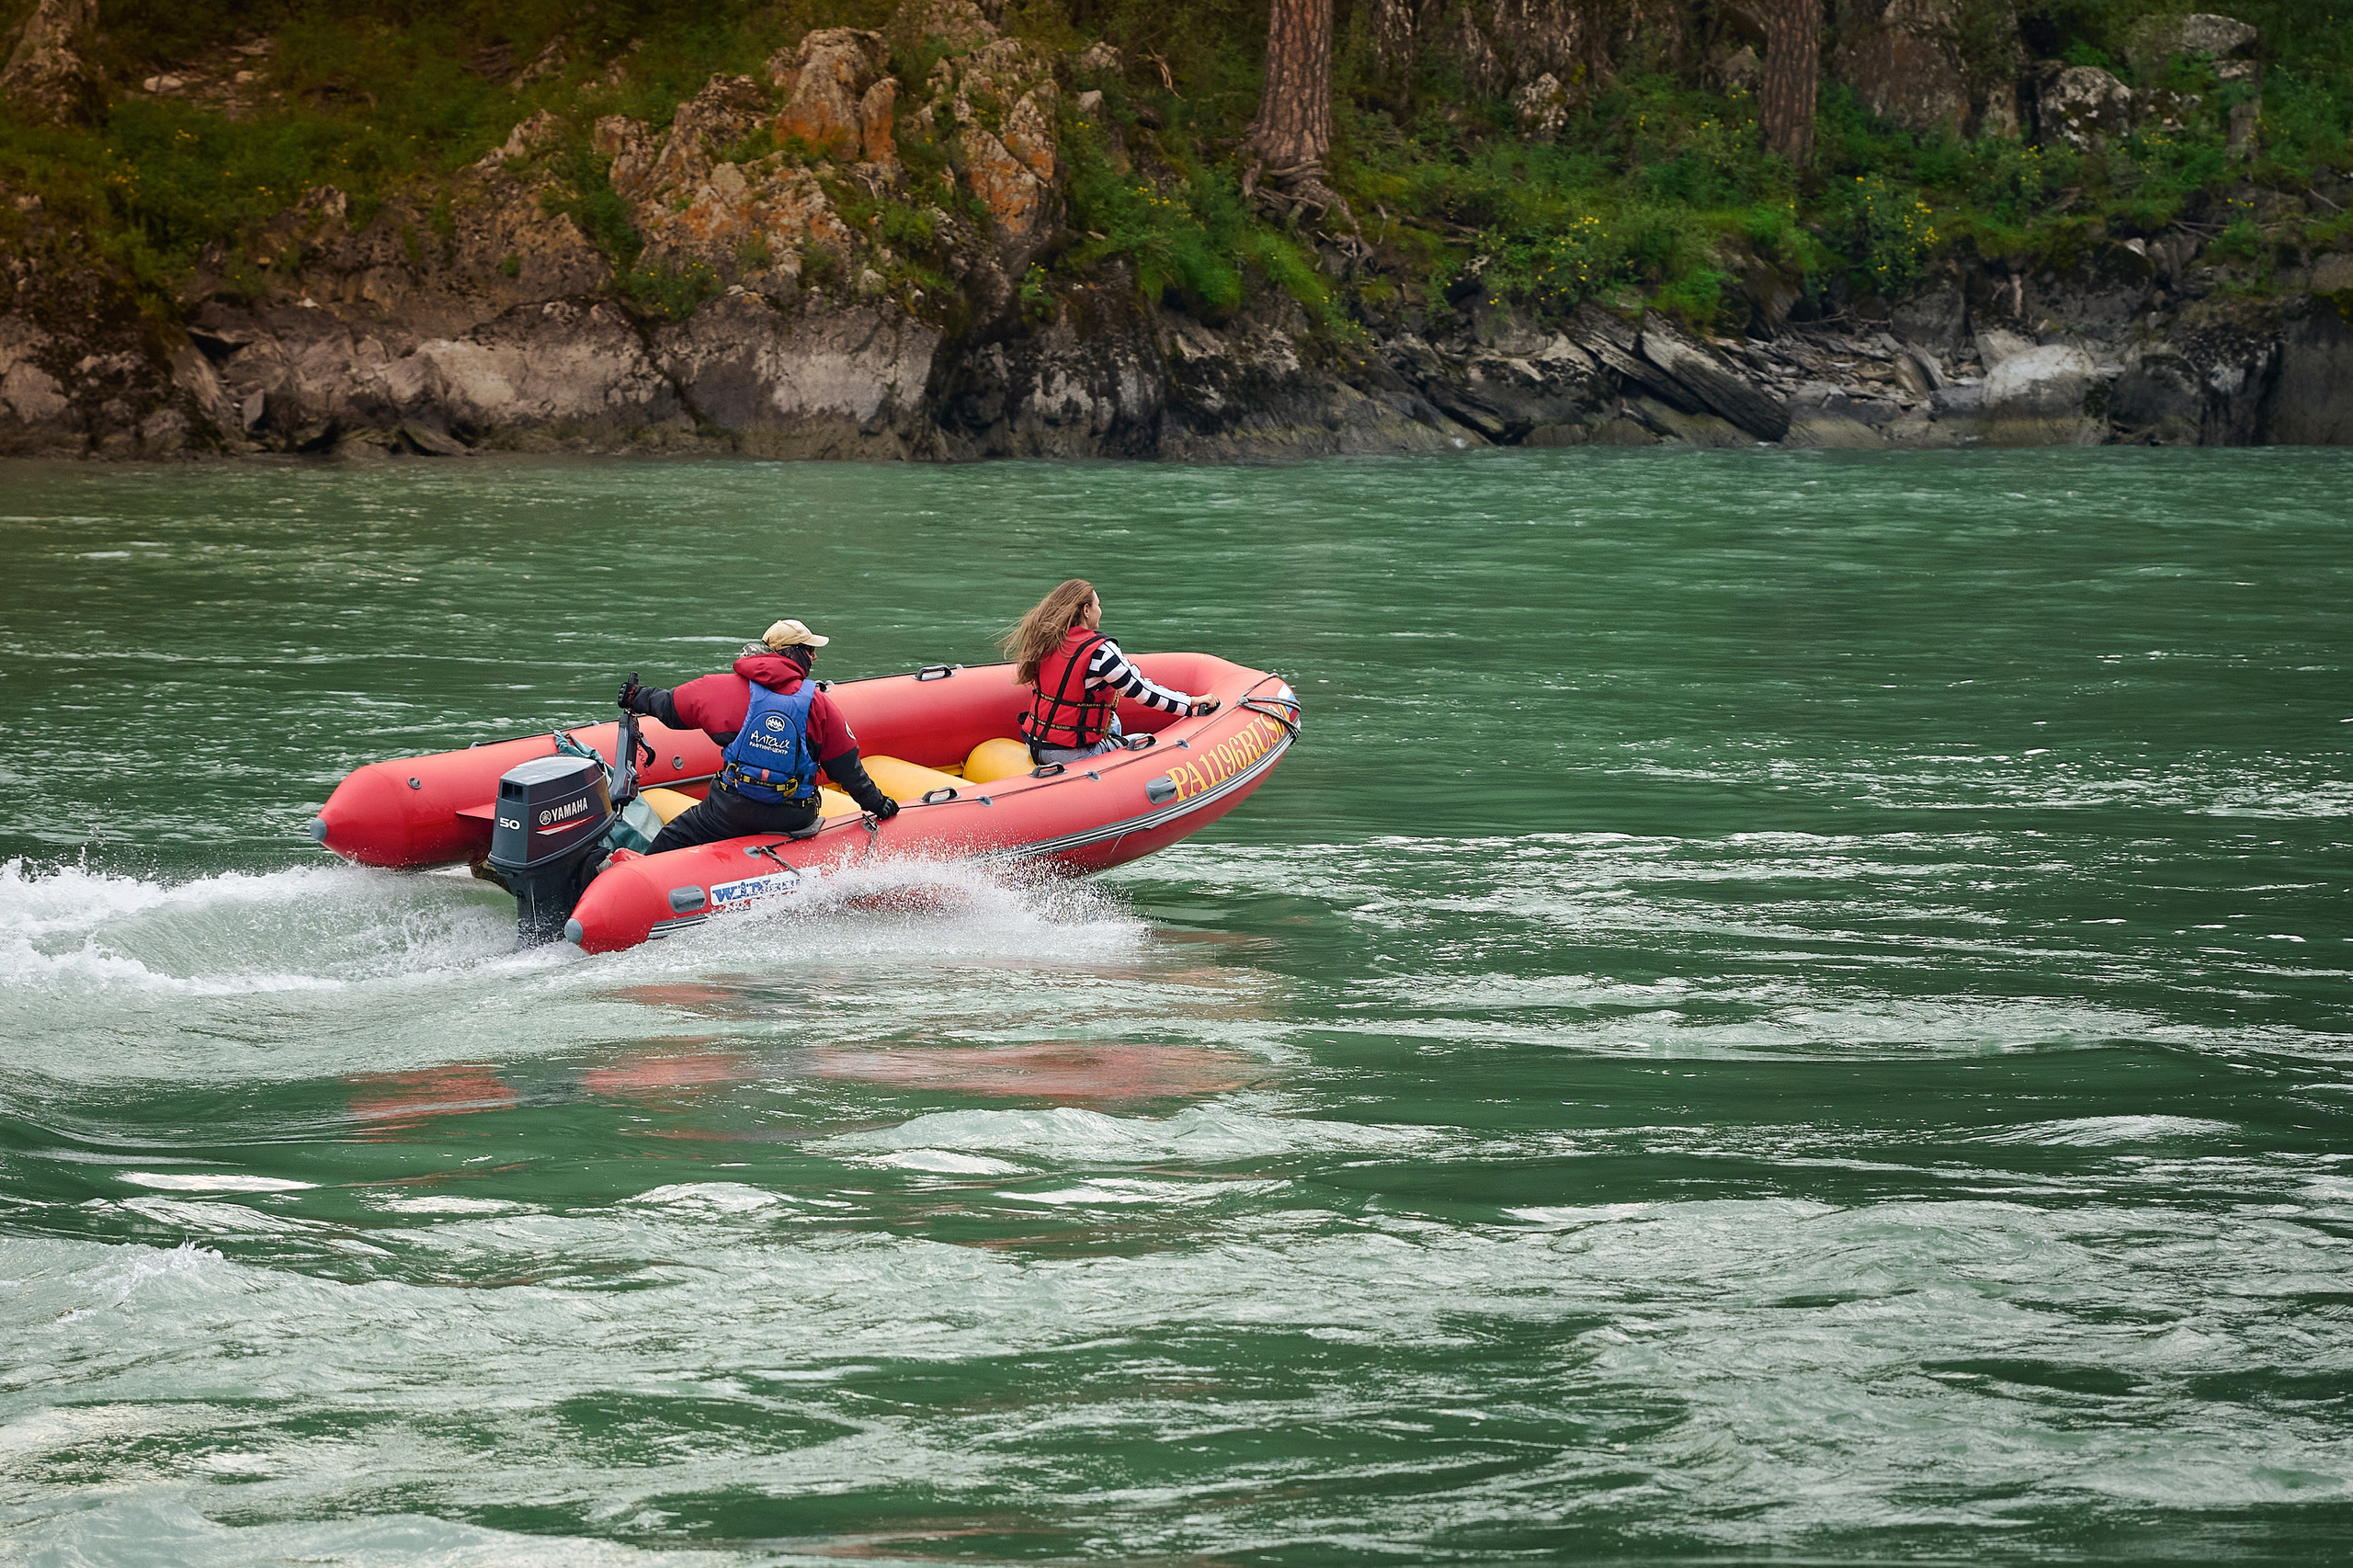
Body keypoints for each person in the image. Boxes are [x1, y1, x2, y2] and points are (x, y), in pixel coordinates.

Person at [619, 619, 899, 854]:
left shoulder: (721, 689)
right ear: (791, 653)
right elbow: (847, 769)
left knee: (671, 839)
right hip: (793, 815)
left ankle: (640, 890)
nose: (814, 656)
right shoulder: (817, 703)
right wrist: (878, 804)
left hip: (729, 812)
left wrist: (636, 696)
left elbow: (670, 707)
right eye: (809, 649)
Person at [1001, 579, 1218, 765]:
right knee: (1150, 743)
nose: (1100, 611)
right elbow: (1142, 692)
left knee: (1112, 722)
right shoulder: (1100, 652)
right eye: (1098, 605)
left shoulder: (1047, 642)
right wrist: (1190, 703)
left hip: (1035, 745)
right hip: (1070, 754)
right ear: (1086, 610)